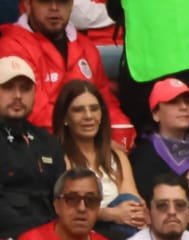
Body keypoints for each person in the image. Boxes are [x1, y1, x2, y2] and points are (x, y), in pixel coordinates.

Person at [0, 0, 132, 145]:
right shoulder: (11, 47)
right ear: (27, 4)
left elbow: (105, 101)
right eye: (45, 2)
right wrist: (90, 135)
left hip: (87, 140)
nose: (54, 8)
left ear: (71, 5)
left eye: (62, 2)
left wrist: (122, 131)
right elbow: (34, 113)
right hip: (37, 147)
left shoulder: (86, 46)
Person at [50, 79, 139, 238]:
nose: (88, 116)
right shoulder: (59, 157)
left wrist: (136, 214)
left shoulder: (117, 155)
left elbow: (133, 203)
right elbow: (68, 209)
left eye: (94, 109)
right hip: (86, 230)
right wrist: (110, 214)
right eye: (78, 110)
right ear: (65, 118)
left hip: (122, 227)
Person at [128, 78, 189, 217]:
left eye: (188, 102)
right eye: (174, 102)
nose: (184, 107)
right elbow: (150, 208)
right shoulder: (143, 156)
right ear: (156, 114)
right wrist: (188, 183)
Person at [0, 57, 64, 240]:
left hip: (49, 238)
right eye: (8, 87)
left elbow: (61, 198)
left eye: (25, 88)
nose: (18, 96)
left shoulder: (48, 142)